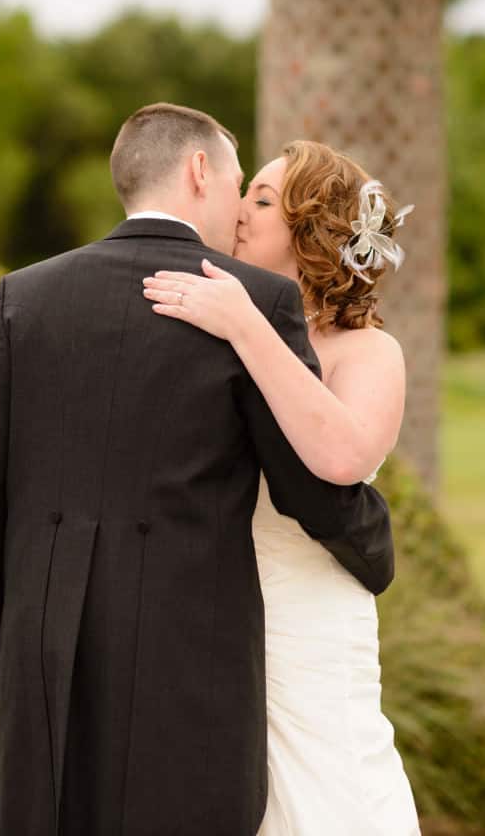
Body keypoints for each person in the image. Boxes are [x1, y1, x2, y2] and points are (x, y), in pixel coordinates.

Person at [0, 103, 395, 836]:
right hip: (190, 648)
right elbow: (309, 487)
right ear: (198, 172)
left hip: (47, 645)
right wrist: (374, 546)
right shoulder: (254, 300)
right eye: (241, 184)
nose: (243, 207)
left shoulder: (26, 293)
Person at [142, 139, 420, 835]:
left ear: (312, 231)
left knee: (327, 784)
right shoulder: (206, 333)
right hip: (209, 612)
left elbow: (341, 456)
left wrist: (246, 325)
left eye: (263, 200)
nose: (239, 210)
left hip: (309, 615)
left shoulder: (368, 353)